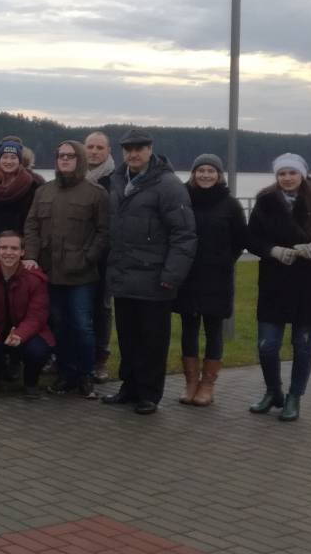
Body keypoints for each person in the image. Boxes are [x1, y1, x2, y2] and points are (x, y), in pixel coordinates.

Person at [101, 129, 196, 415]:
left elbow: (184, 234)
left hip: (155, 279)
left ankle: (149, 394)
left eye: (139, 148)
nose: (133, 154)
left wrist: (171, 275)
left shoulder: (168, 185)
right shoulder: (117, 181)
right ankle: (129, 388)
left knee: (152, 341)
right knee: (128, 338)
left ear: (150, 149)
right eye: (128, 149)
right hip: (124, 276)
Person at [246, 154, 311, 422]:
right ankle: (273, 392)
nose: (287, 178)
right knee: (267, 345)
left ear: (302, 175)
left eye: (292, 173)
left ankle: (294, 397)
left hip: (310, 283)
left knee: (303, 344)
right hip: (275, 282)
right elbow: (251, 239)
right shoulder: (265, 202)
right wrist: (272, 250)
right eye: (282, 173)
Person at [23, 140, 108, 398]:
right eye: (61, 156)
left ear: (79, 160)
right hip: (50, 272)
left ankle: (85, 375)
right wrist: (32, 257)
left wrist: (88, 258)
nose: (65, 160)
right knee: (59, 325)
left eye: (70, 156)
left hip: (81, 275)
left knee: (82, 326)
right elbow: (32, 227)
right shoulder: (44, 192)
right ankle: (65, 374)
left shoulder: (96, 193)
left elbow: (104, 232)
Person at [175, 154, 247, 407]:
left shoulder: (230, 205)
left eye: (210, 171)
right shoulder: (183, 199)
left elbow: (241, 240)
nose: (205, 175)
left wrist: (224, 260)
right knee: (189, 329)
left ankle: (207, 385)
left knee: (213, 330)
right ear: (193, 174)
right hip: (188, 276)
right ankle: (191, 382)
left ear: (219, 174)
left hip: (217, 278)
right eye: (200, 170)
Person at [0, 231, 55, 398]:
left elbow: (37, 317)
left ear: (22, 252)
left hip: (27, 334)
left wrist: (19, 335)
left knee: (38, 351)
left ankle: (31, 383)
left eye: (14, 248)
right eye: (4, 247)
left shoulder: (36, 279)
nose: (8, 252)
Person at [85, 130, 116, 383]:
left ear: (108, 152)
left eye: (99, 148)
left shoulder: (115, 180)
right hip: (77, 255)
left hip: (106, 256)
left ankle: (99, 359)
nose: (94, 152)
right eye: (90, 147)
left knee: (102, 309)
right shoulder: (74, 176)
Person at [0, 139, 43, 247]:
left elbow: (34, 223)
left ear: (20, 161)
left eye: (13, 157)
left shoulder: (32, 187)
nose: (8, 161)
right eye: (5, 157)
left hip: (20, 248)